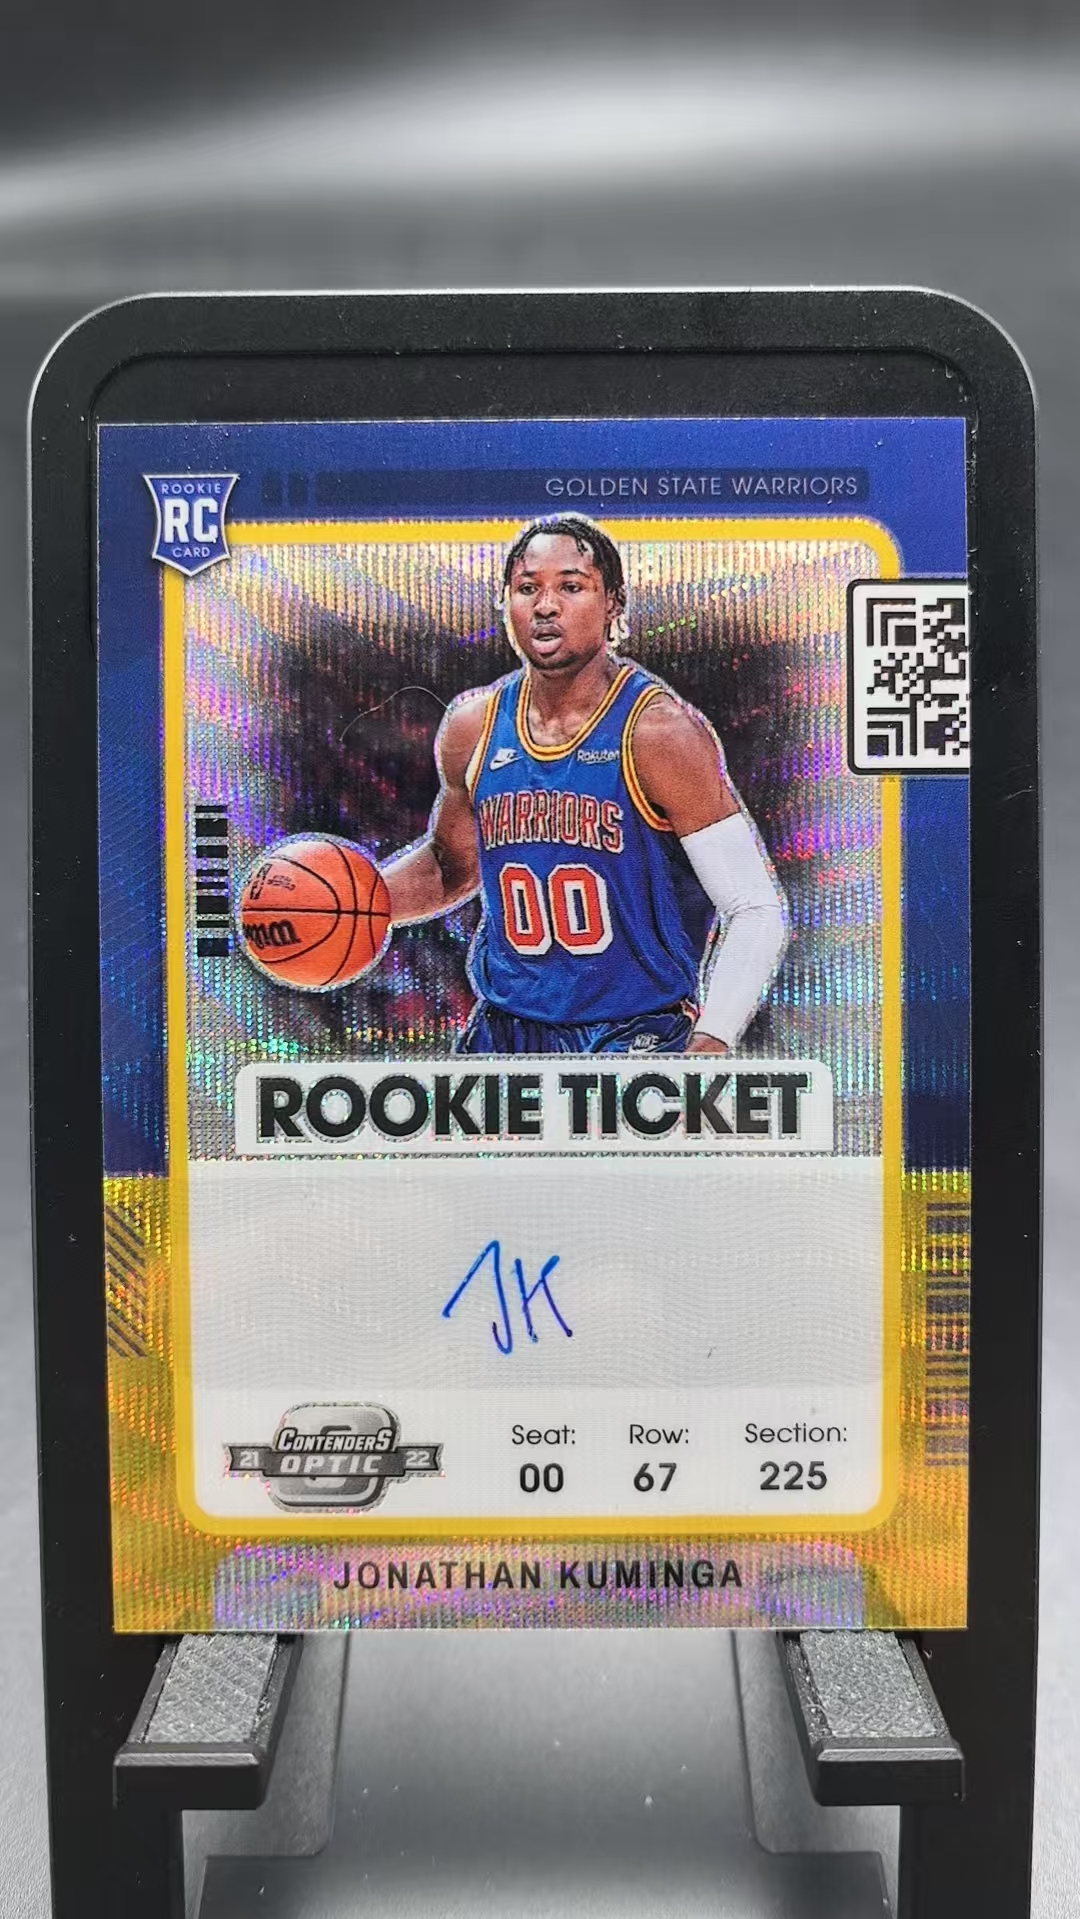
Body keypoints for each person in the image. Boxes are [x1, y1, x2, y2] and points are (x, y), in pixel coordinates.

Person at [382, 515, 787, 1056]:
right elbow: (449, 868)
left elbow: (754, 906)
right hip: (505, 1030)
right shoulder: (472, 725)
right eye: (528, 588)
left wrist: (712, 1038)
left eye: (571, 587)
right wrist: (354, 901)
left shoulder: (658, 731)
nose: (545, 606)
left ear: (613, 603)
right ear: (505, 602)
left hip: (631, 1033)